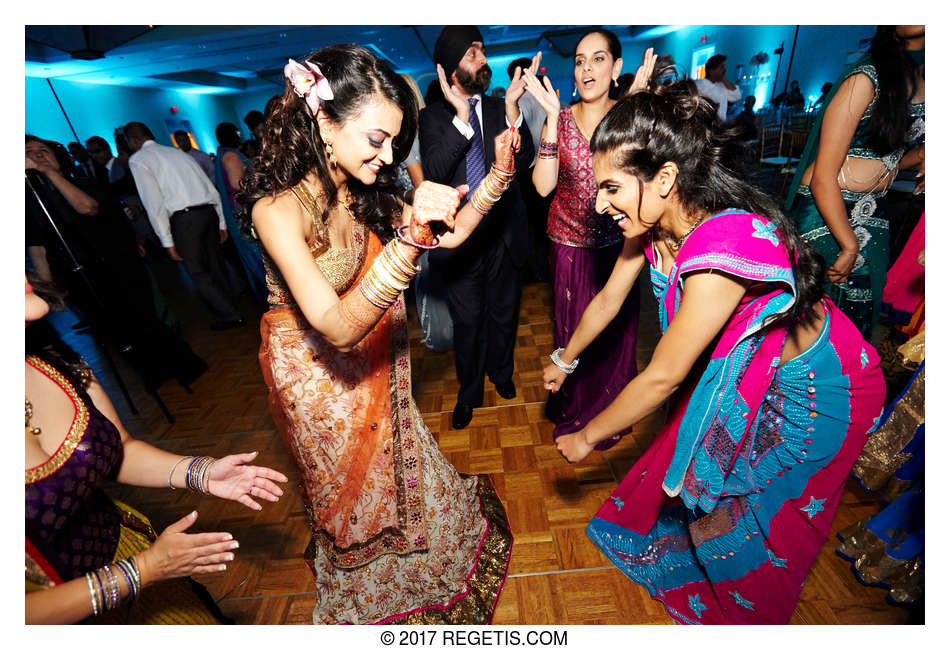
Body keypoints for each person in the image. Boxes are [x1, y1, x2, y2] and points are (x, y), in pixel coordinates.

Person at [541, 81, 885, 624]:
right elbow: (608, 300)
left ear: (665, 179)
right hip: (760, 382)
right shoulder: (656, 229)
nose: (598, 202)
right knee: (724, 495)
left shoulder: (717, 251)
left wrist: (586, 439)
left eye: (610, 187)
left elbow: (663, 378)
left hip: (819, 394)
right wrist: (565, 360)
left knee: (774, 520)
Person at [239, 44, 517, 624]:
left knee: (400, 463)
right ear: (324, 120)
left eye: (394, 141)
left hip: (373, 363)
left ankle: (418, 562)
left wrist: (497, 174)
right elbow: (338, 328)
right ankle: (373, 588)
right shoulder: (277, 210)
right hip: (316, 382)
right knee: (355, 499)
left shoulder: (361, 190)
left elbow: (454, 235)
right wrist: (409, 241)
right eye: (376, 139)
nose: (388, 154)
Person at [25, 276, 288, 624]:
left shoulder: (47, 357)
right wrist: (143, 570)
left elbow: (118, 449)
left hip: (128, 554)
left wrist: (203, 473)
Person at [523, 28, 643, 450]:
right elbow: (541, 187)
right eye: (579, 60)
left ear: (616, 68)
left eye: (597, 59)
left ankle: (610, 414)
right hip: (569, 246)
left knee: (616, 334)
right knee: (574, 332)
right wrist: (552, 123)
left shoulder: (627, 119)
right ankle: (576, 412)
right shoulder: (561, 116)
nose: (586, 68)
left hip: (619, 246)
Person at [418, 25, 536, 429]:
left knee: (504, 315)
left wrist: (515, 113)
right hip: (459, 244)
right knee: (469, 325)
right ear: (450, 69)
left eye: (482, 51)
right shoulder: (433, 118)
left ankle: (501, 373)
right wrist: (462, 119)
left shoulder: (501, 105)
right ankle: (469, 393)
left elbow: (524, 162)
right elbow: (433, 171)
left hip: (504, 236)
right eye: (472, 54)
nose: (483, 60)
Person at [26, 136, 208, 391]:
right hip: (81, 276)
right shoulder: (30, 202)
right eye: (29, 152)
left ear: (56, 156)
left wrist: (49, 174)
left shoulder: (80, 183)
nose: (37, 156)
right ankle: (152, 373)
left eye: (43, 151)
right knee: (115, 330)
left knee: (144, 317)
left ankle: (184, 366)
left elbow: (87, 207)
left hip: (118, 263)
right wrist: (47, 290)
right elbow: (37, 247)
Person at [785, 25, 924, 339]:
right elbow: (823, 176)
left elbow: (888, 159)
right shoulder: (866, 77)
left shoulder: (927, 81)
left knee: (856, 323)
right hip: (823, 210)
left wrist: (924, 154)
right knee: (811, 323)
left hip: (873, 212)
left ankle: (840, 388)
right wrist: (849, 245)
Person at [124, 121, 246, 330]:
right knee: (216, 266)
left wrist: (166, 240)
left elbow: (154, 203)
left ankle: (230, 315)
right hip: (208, 213)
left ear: (134, 140)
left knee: (198, 272)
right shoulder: (178, 153)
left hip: (185, 220)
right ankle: (233, 307)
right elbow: (210, 187)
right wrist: (221, 221)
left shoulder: (139, 159)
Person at [213, 121, 268, 304]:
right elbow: (238, 185)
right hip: (242, 215)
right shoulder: (230, 156)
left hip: (239, 213)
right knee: (257, 259)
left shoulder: (224, 154)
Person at [695, 54, 741, 121]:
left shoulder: (722, 85)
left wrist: (723, 78)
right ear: (711, 70)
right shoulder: (698, 85)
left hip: (720, 126)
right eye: (721, 67)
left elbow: (736, 96)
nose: (725, 70)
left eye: (725, 66)